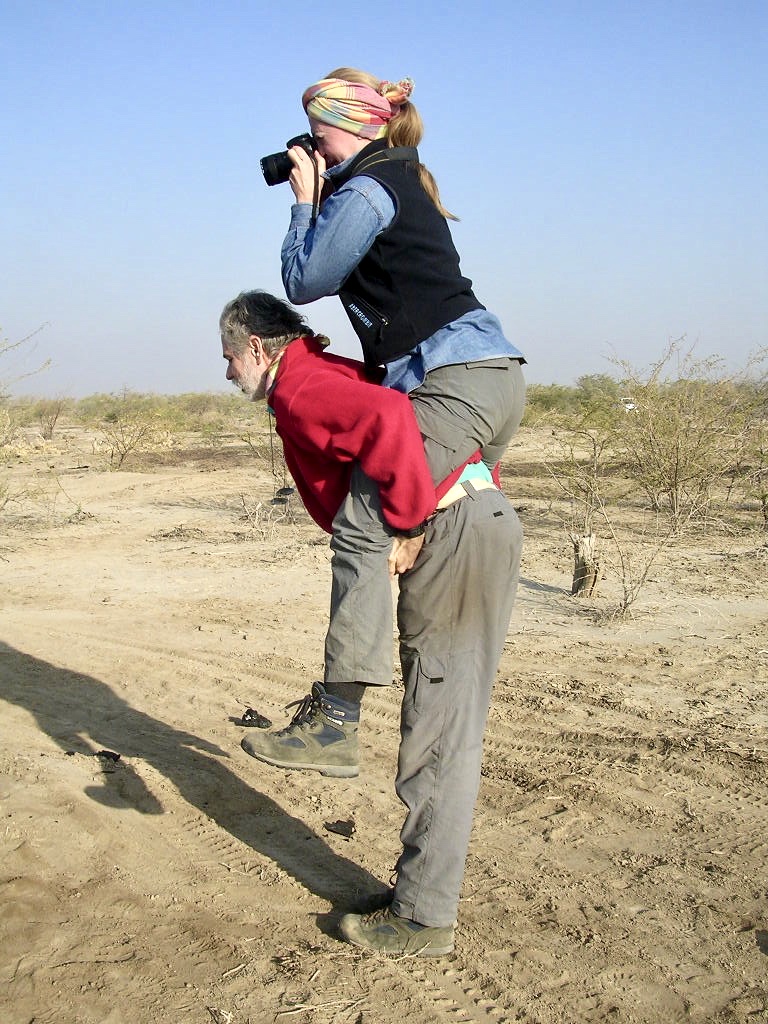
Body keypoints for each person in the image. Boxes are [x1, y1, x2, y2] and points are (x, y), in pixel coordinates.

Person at [220, 290, 523, 956]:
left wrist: (412, 519)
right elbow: (443, 436)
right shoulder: (316, 378)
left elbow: (392, 418)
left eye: (229, 360)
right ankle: (418, 900)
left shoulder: (304, 386)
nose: (227, 375)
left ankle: (422, 919)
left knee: (438, 736)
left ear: (256, 349)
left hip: (452, 535)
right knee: (438, 729)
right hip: (467, 520)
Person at [276, 67, 527, 729]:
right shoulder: (398, 174)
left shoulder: (367, 187)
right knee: (410, 524)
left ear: (346, 124)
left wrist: (305, 201)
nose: (310, 146)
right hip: (489, 379)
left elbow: (305, 279)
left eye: (315, 133)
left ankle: (334, 720)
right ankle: (434, 686)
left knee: (361, 525)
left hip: (450, 380)